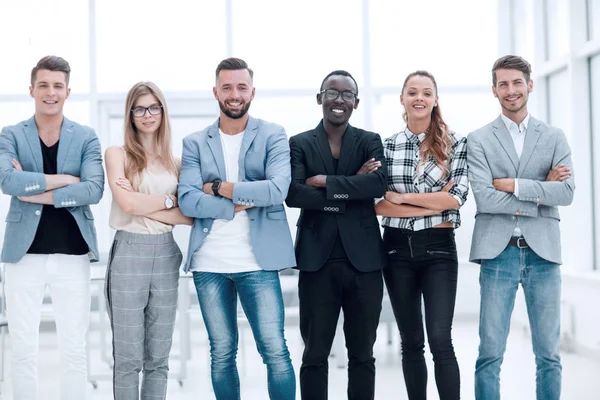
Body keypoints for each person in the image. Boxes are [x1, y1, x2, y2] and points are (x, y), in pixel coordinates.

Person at [178, 57, 296, 400]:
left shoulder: (273, 134)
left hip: (258, 261)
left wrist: (217, 188)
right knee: (221, 353)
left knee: (274, 351)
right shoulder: (195, 142)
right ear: (215, 91)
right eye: (227, 87)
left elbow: (277, 190)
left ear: (252, 92)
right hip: (209, 263)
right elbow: (187, 199)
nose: (234, 94)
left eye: (241, 87)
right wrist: (243, 197)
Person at [468, 55, 574, 400]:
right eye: (503, 84)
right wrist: (542, 187)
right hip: (498, 254)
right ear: (494, 90)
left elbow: (567, 192)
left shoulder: (554, 136)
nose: (510, 90)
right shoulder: (479, 139)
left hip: (543, 254)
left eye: (517, 82)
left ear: (530, 84)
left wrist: (513, 184)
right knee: (490, 354)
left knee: (548, 356)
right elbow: (484, 200)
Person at [0, 55, 104, 400]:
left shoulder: (86, 136)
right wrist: (63, 181)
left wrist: (35, 193)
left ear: (68, 91)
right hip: (23, 255)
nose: (50, 92)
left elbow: (93, 189)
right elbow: (7, 180)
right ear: (31, 89)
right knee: (23, 348)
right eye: (43, 85)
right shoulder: (11, 134)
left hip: (72, 254)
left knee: (74, 348)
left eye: (57, 86)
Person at [285, 70, 386, 400]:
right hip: (317, 261)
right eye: (332, 92)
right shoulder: (299, 143)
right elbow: (295, 195)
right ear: (320, 98)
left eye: (347, 95)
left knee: (362, 355)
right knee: (314, 355)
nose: (338, 100)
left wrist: (326, 182)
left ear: (356, 103)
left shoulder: (370, 140)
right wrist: (351, 187)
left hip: (365, 263)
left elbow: (376, 185)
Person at [375, 70, 468, 400]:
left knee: (441, 339)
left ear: (435, 99)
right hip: (396, 251)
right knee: (411, 340)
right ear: (402, 99)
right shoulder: (385, 146)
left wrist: (402, 198)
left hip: (439, 250)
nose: (419, 98)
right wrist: (430, 203)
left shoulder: (456, 143)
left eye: (426, 93)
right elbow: (379, 206)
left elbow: (454, 199)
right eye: (412, 92)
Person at [103, 81, 191, 399]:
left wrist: (144, 202)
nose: (147, 114)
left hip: (167, 253)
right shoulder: (118, 155)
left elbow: (190, 216)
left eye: (154, 107)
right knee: (127, 359)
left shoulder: (177, 164)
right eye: (140, 108)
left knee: (159, 359)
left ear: (163, 111)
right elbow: (127, 205)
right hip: (129, 251)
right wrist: (169, 200)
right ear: (130, 114)